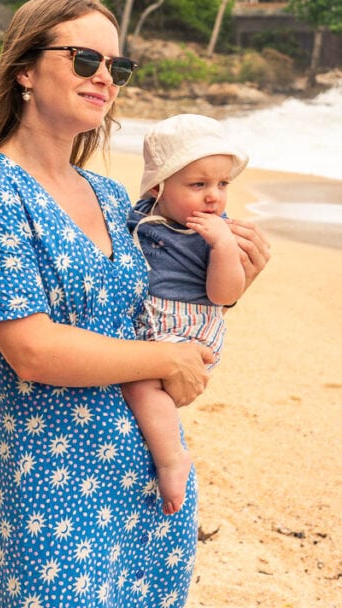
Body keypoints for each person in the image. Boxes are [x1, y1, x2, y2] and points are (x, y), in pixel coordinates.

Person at [0, 0, 269, 608]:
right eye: (85, 59)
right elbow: (32, 351)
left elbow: (156, 314)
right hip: (51, 486)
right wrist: (163, 361)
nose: (105, 78)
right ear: (25, 71)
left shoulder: (114, 199)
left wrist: (233, 280)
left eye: (116, 67)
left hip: (149, 474)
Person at [123, 114, 249, 516]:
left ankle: (172, 457)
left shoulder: (217, 232)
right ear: (159, 186)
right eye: (199, 185)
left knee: (139, 383)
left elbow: (224, 295)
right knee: (133, 377)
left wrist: (225, 248)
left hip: (190, 324)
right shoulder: (141, 216)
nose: (214, 196)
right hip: (151, 319)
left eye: (222, 184)